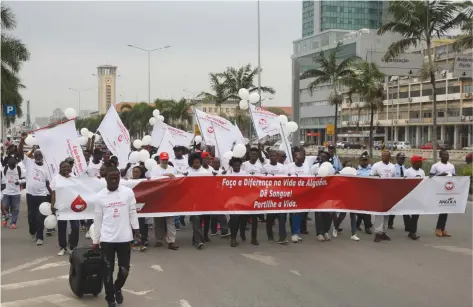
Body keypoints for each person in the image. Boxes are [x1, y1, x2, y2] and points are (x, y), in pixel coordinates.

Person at [92, 166, 140, 307]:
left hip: (124, 238)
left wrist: (136, 230)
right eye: (111, 178)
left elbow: (132, 212)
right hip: (107, 239)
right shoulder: (100, 196)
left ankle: (117, 287)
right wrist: (96, 240)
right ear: (105, 178)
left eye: (117, 177)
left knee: (124, 270)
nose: (114, 180)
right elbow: (98, 220)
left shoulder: (128, 193)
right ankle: (110, 299)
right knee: (107, 270)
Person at [18, 133, 52, 245]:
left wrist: (52, 196)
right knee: (31, 217)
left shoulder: (46, 167)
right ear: (33, 156)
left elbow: (48, 183)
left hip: (42, 195)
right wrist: (22, 140)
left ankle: (40, 237)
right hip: (30, 195)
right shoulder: (29, 162)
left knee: (40, 217)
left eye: (39, 155)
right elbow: (19, 153)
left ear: (42, 156)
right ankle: (32, 231)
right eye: (36, 155)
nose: (37, 156)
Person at [226, 157, 259, 247]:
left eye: (238, 165)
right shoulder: (227, 174)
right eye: (235, 165)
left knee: (244, 219)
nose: (237, 166)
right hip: (233, 201)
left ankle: (243, 233)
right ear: (232, 165)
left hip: (244, 201)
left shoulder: (245, 174)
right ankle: (233, 239)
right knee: (234, 219)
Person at [150, 152, 179, 250]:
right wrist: (167, 175)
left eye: (166, 159)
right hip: (158, 198)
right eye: (163, 159)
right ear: (159, 160)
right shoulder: (154, 169)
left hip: (169, 197)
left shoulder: (172, 169)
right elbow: (153, 181)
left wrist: (171, 175)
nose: (165, 161)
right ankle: (159, 239)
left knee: (170, 220)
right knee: (158, 220)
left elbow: (177, 181)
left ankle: (171, 241)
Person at [50, 160, 80, 255]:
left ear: (71, 168)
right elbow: (53, 193)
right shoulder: (56, 179)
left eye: (68, 167)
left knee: (75, 227)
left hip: (73, 207)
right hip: (61, 207)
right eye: (64, 167)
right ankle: (63, 247)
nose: (66, 169)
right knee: (62, 227)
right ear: (60, 169)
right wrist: (52, 205)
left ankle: (73, 246)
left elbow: (80, 191)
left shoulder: (75, 178)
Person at [262, 150, 288, 244]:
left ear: (277, 157)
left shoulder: (282, 167)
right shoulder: (265, 167)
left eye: (274, 156)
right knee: (270, 219)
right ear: (269, 157)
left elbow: (286, 180)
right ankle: (270, 236)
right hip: (270, 196)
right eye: (271, 156)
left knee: (282, 218)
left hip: (280, 196)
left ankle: (282, 237)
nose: (273, 157)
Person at [370, 151, 396, 243]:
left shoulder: (393, 166)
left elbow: (394, 179)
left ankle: (384, 232)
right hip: (379, 192)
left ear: (389, 157)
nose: (383, 157)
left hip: (388, 193)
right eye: (382, 155)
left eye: (385, 155)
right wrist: (376, 177)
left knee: (386, 214)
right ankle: (377, 233)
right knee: (379, 214)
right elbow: (371, 177)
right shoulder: (376, 165)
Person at [185, 152, 208, 249]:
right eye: (194, 163)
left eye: (198, 162)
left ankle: (196, 238)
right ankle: (198, 241)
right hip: (192, 200)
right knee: (196, 219)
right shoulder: (187, 172)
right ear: (191, 163)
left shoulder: (206, 172)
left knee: (201, 220)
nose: (196, 164)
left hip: (203, 199)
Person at [430, 149, 455, 237]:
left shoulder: (451, 166)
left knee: (446, 210)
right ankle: (438, 228)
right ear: (440, 156)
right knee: (442, 209)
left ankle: (442, 229)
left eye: (447, 155)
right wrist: (441, 175)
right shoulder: (435, 166)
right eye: (444, 155)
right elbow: (431, 177)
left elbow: (454, 177)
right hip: (438, 191)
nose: (446, 156)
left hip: (448, 190)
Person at [404, 156, 425, 240]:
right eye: (420, 161)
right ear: (414, 163)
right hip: (409, 196)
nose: (421, 163)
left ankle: (412, 232)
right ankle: (409, 227)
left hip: (418, 196)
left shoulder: (422, 172)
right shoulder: (407, 172)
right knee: (406, 212)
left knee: (415, 215)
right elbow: (404, 183)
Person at [1, 156, 25, 229]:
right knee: (4, 208)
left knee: (15, 209)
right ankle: (6, 219)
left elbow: (26, 179)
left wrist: (19, 182)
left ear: (15, 164)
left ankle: (13, 223)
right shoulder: (4, 169)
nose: (12, 167)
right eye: (10, 165)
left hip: (16, 193)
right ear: (8, 164)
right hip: (6, 192)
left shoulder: (18, 169)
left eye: (13, 165)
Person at [388, 152, 407, 229]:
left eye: (403, 159)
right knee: (394, 209)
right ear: (397, 159)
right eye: (401, 158)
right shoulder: (393, 168)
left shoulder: (405, 168)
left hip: (404, 191)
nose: (402, 160)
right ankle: (389, 223)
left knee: (405, 209)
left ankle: (407, 226)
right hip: (395, 191)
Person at [355, 152, 373, 234]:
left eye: (366, 160)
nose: (364, 162)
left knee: (367, 211)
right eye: (363, 160)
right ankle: (357, 224)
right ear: (360, 161)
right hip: (358, 193)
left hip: (368, 193)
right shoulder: (356, 170)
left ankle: (367, 227)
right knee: (359, 211)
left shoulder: (371, 170)